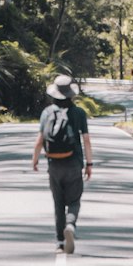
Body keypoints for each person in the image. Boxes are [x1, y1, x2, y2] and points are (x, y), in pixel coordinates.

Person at [32, 74, 93, 254]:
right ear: (71, 94)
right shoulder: (79, 113)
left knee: (58, 203)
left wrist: (35, 160)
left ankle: (60, 242)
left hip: (54, 164)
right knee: (74, 200)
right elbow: (87, 141)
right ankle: (70, 225)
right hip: (74, 163)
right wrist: (89, 163)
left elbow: (39, 140)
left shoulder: (47, 113)